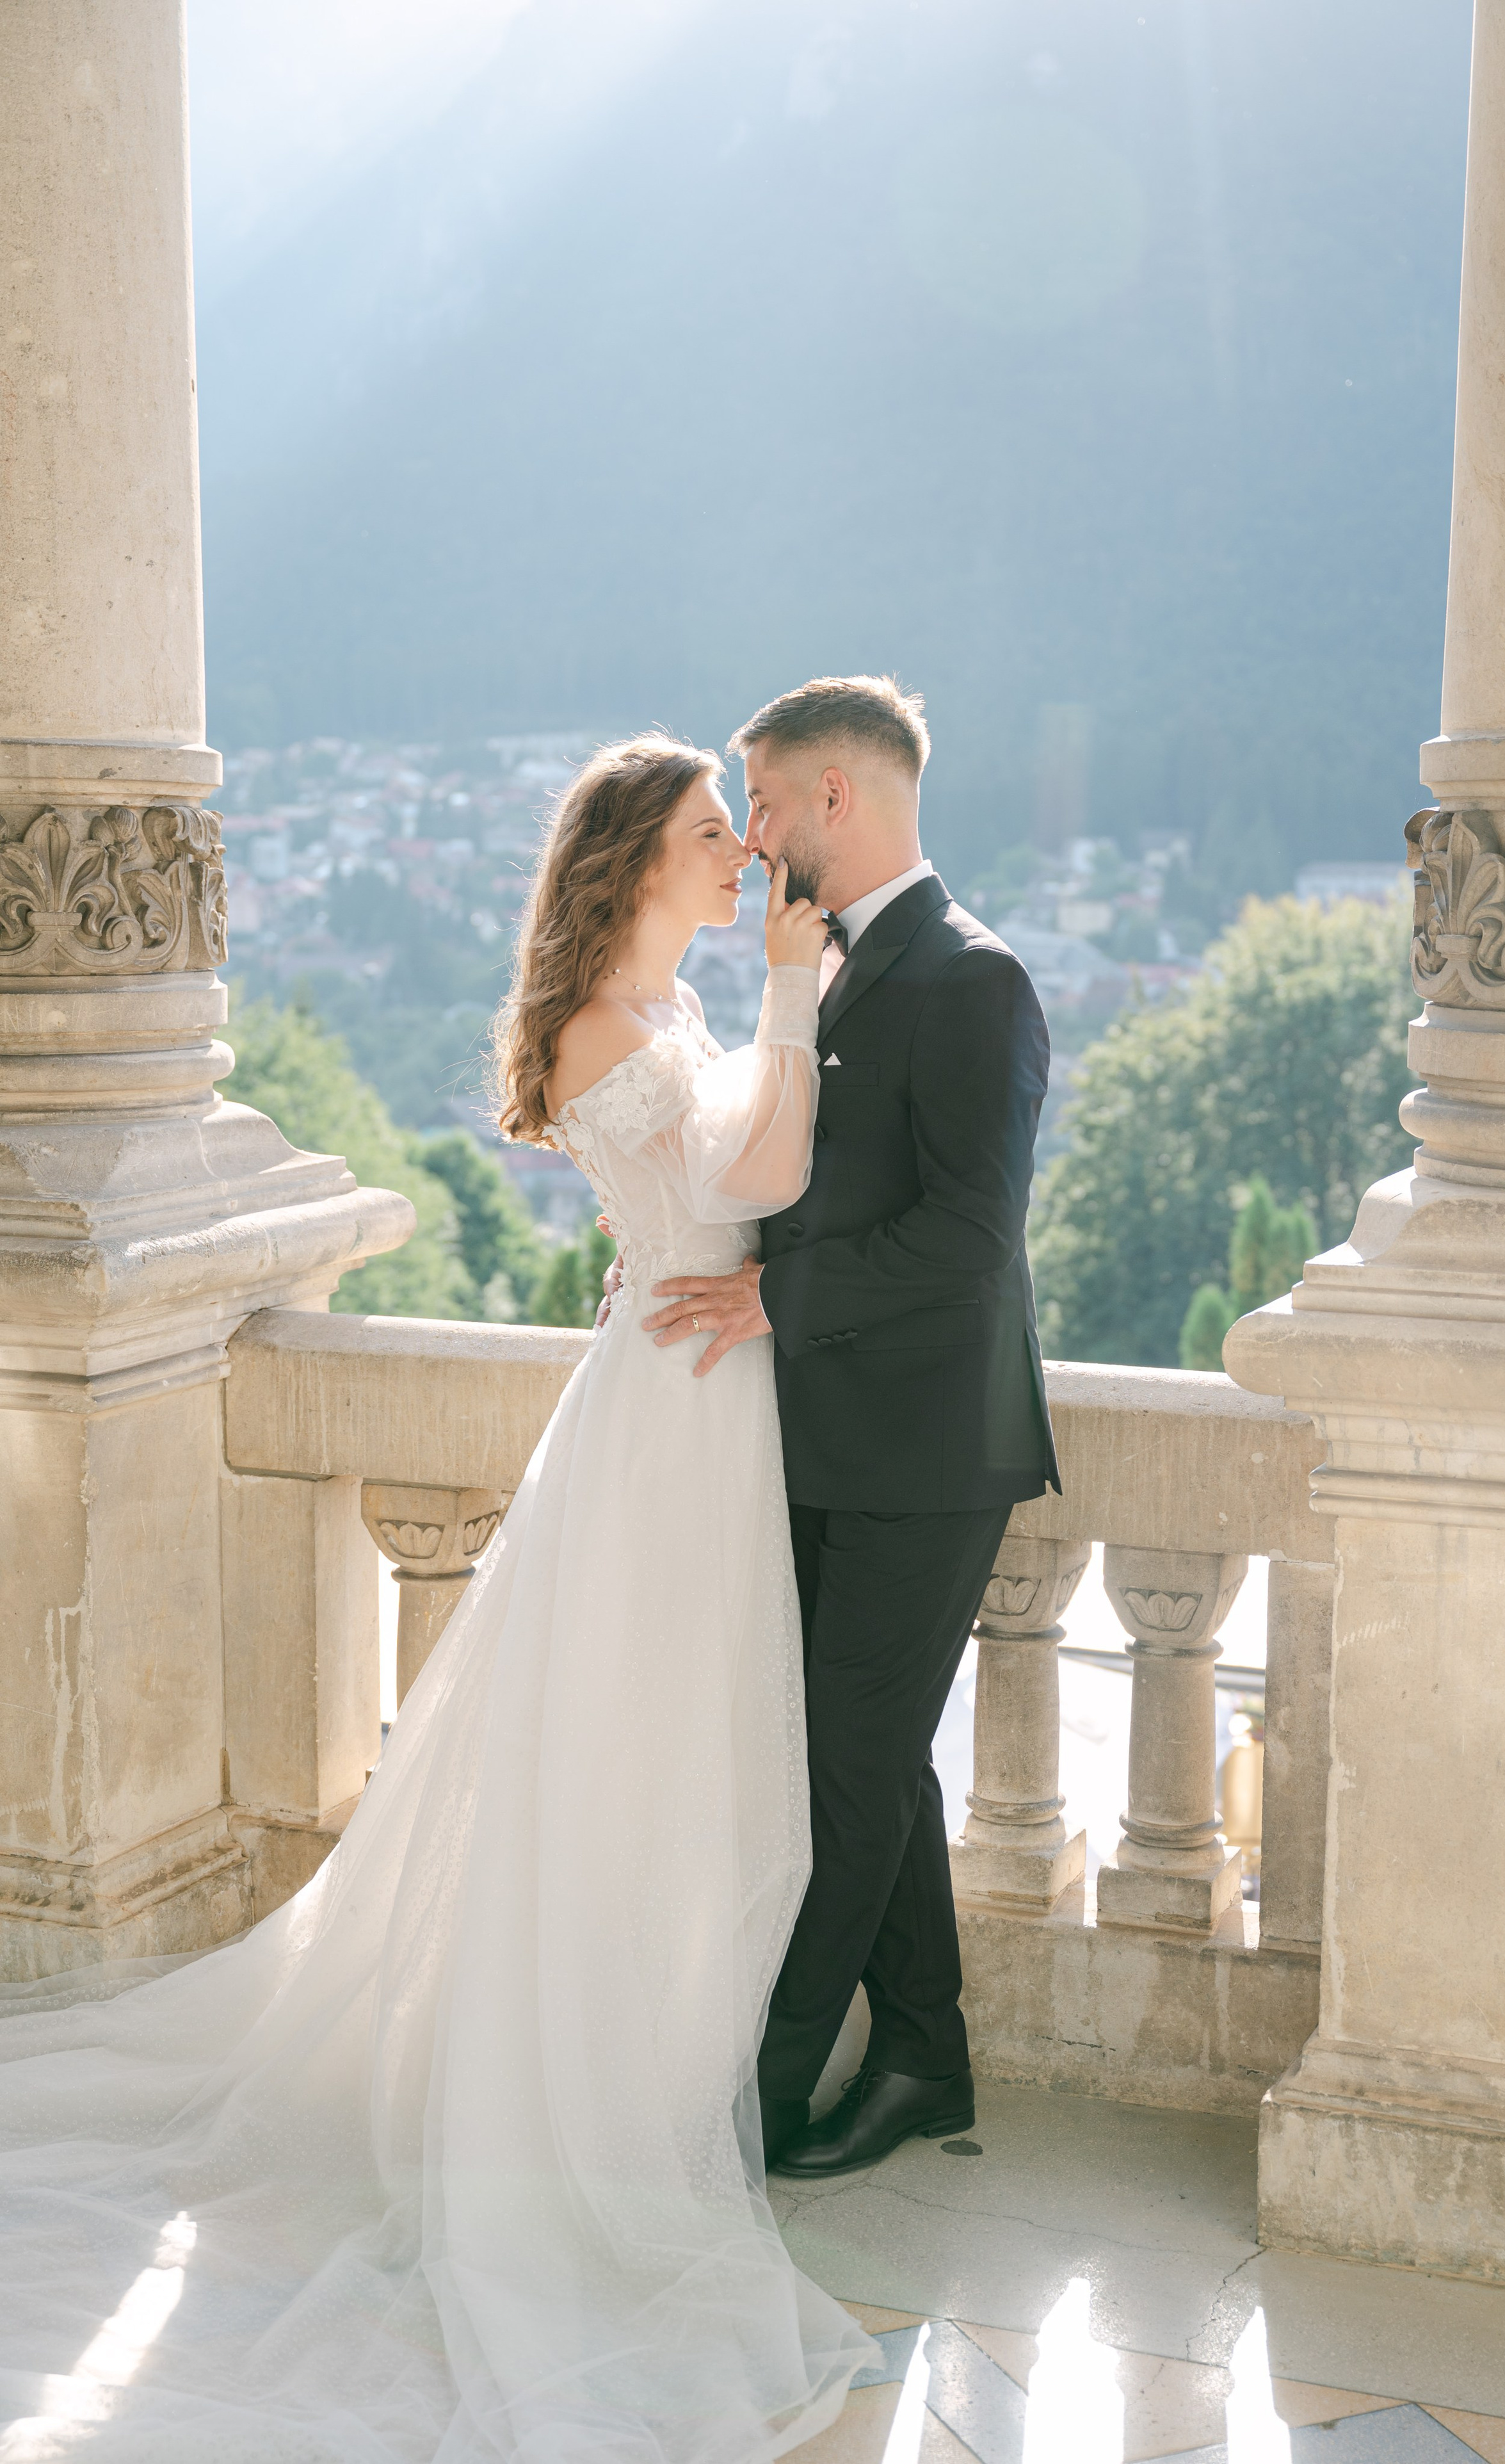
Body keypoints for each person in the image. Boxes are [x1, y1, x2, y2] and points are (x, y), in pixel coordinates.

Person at [0, 734, 875, 2461]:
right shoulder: (606, 1029)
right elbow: (759, 1184)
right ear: (635, 858)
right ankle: (571, 2106)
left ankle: (641, 2071)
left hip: (699, 1389)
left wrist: (758, 1051)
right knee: (615, 1756)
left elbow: (721, 1199)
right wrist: (794, 993)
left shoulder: (668, 1015)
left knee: (686, 1754)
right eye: (714, 833)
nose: (742, 856)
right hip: (668, 1414)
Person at [641, 677, 1059, 2178]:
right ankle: (923, 2059)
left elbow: (970, 1235)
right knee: (873, 1765)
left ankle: (753, 2105)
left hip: (927, 1455)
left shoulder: (974, 978)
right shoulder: (816, 966)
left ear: (835, 793)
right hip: (814, 1440)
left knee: (840, 1773)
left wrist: (774, 1299)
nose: (750, 837)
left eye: (761, 802)